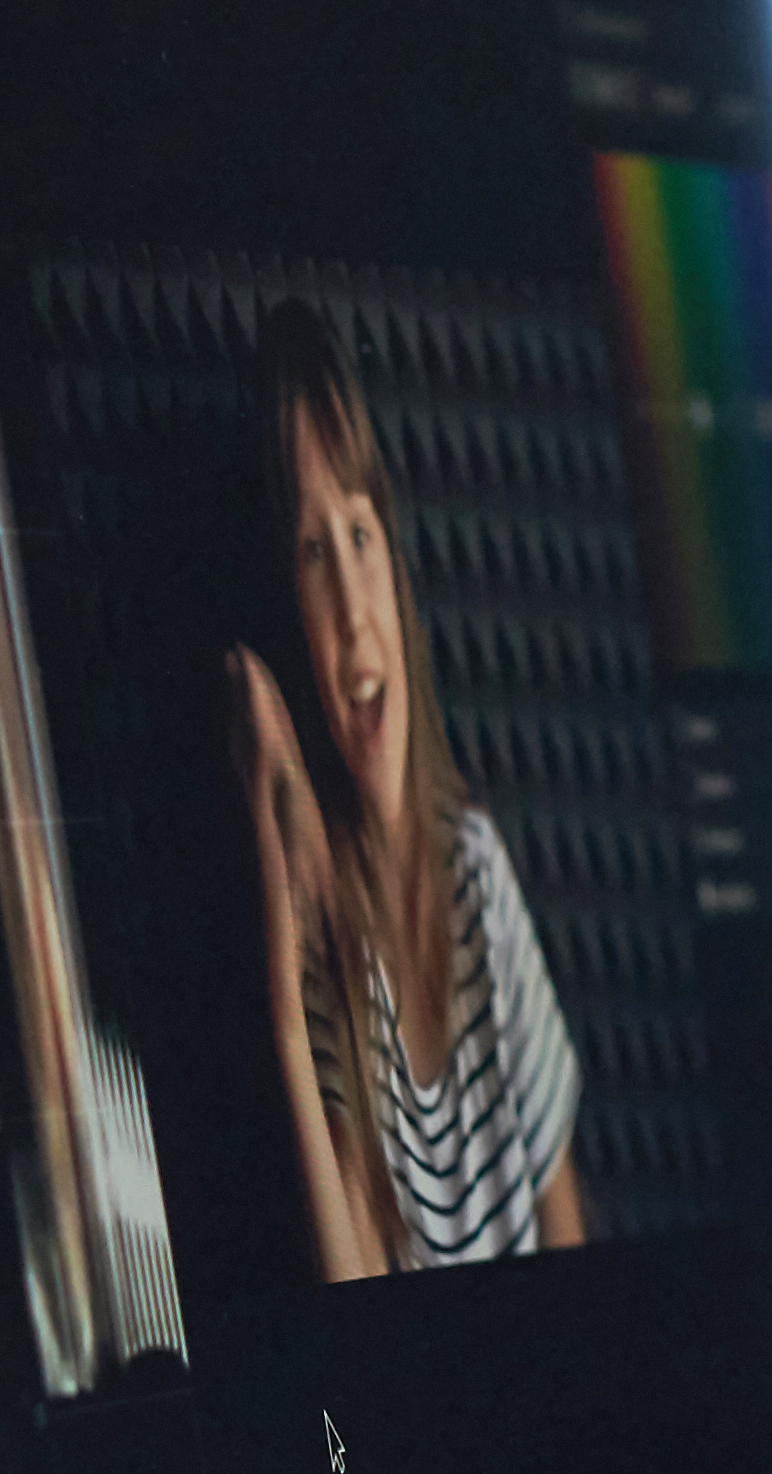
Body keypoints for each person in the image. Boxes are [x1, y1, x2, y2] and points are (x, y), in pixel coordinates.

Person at [225, 302, 588, 1275]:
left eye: (359, 533)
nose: (351, 609)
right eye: (310, 552)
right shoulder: (331, 958)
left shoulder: (474, 867)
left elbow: (566, 1229)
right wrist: (284, 1004)